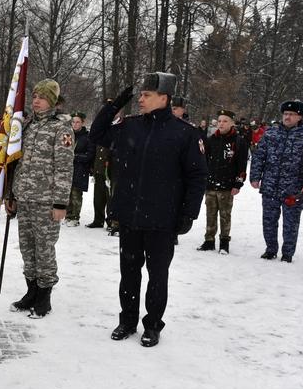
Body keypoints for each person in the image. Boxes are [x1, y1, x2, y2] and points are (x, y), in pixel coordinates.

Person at [89, 72, 207, 347]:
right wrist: (115, 103)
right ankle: (127, 320)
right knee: (129, 272)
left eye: (146, 95)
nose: (140, 99)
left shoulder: (185, 133)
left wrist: (189, 214)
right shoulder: (130, 127)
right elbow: (97, 134)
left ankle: (152, 324)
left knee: (157, 275)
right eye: (139, 95)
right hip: (130, 214)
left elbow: (197, 176)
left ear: (163, 98)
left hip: (162, 219)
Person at [6, 79, 75, 319]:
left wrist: (60, 203)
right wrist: (11, 194)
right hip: (24, 198)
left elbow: (65, 168)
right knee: (27, 248)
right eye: (34, 96)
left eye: (42, 97)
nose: (36, 101)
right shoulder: (27, 126)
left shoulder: (61, 128)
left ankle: (44, 298)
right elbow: (17, 163)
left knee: (44, 250)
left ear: (53, 101)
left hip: (46, 202)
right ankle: (31, 292)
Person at [249, 100, 303, 262]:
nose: (287, 117)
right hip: (270, 185)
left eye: (291, 114)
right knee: (268, 220)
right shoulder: (271, 133)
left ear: (299, 117)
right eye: (285, 114)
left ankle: (288, 253)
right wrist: (255, 176)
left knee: (291, 223)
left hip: (295, 188)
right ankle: (270, 249)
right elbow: (259, 156)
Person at [196, 109, 249, 254]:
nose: (221, 124)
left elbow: (242, 165)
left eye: (225, 121)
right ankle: (209, 240)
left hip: (227, 185)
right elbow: (204, 161)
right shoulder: (211, 140)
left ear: (232, 123)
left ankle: (224, 242)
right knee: (210, 214)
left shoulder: (238, 141)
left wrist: (238, 183)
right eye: (219, 121)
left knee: (225, 215)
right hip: (211, 184)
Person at [65, 111, 95, 227]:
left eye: (78, 122)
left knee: (76, 193)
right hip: (68, 168)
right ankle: (68, 215)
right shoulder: (68, 135)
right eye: (73, 122)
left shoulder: (87, 137)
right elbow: (65, 150)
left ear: (83, 123)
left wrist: (75, 157)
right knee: (67, 192)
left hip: (80, 169)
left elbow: (89, 155)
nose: (75, 124)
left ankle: (75, 217)